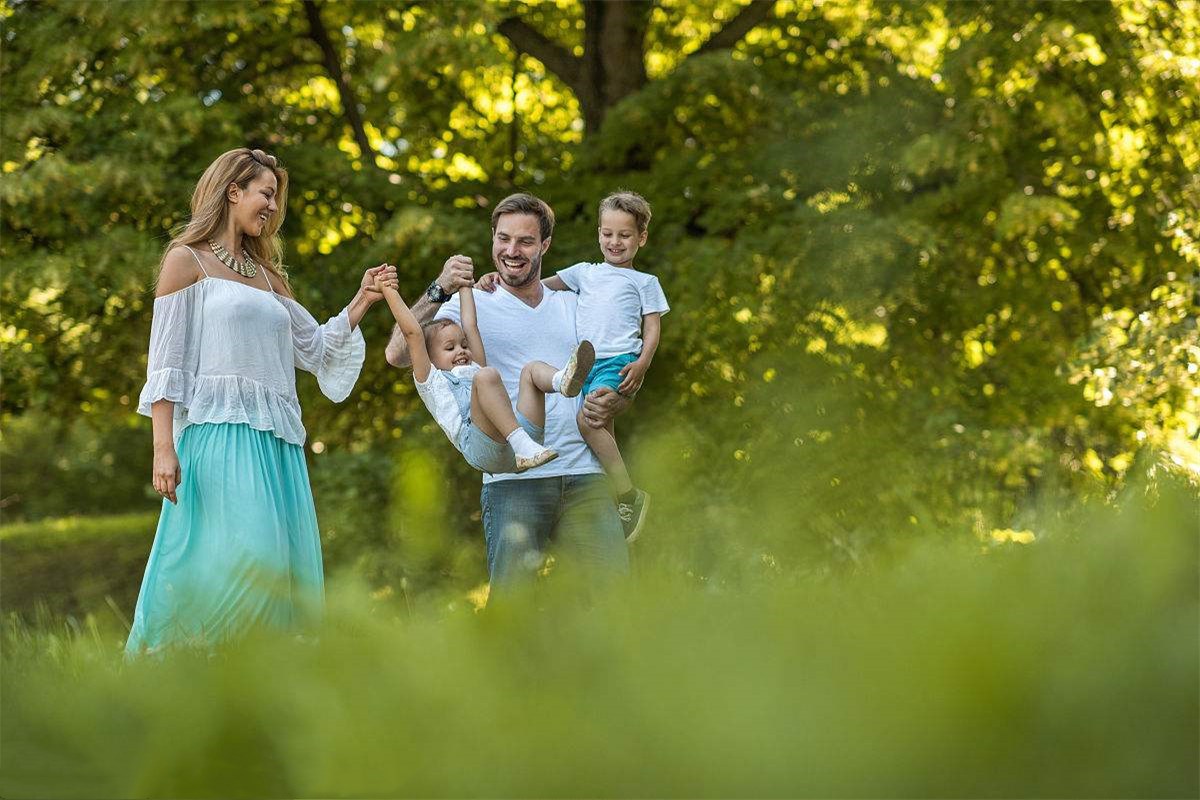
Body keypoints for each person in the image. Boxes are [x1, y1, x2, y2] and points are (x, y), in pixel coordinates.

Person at [127, 147, 397, 655]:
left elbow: (316, 349)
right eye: (265, 194)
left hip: (277, 445)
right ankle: (191, 674)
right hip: (217, 433)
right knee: (238, 561)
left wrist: (362, 299)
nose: (272, 207)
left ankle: (266, 685)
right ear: (234, 192)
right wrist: (163, 448)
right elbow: (165, 363)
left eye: (276, 198)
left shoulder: (270, 278)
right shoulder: (188, 262)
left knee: (279, 566)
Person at [385, 193, 629, 592]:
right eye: (503, 239)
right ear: (493, 238)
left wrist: (618, 396)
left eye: (525, 241)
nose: (511, 251)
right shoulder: (474, 301)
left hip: (586, 475)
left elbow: (615, 363)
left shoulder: (573, 303)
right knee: (513, 611)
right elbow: (398, 353)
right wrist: (440, 287)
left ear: (545, 245)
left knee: (615, 606)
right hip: (511, 481)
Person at [478, 191, 668, 541]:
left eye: (624, 235)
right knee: (597, 418)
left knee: (588, 419)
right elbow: (539, 285)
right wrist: (495, 280)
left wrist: (642, 365)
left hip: (618, 364)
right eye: (608, 234)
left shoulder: (644, 282)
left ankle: (626, 493)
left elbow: (652, 327)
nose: (614, 242)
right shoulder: (583, 274)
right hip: (584, 367)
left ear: (641, 238)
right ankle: (622, 491)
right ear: (598, 233)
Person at [376, 272, 596, 474]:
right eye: (450, 348)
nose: (461, 350)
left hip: (523, 445)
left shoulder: (475, 366)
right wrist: (388, 290)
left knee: (531, 369)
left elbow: (470, 324)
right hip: (482, 449)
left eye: (463, 345)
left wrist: (464, 284)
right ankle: (521, 444)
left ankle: (562, 381)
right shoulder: (430, 379)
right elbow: (413, 333)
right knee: (486, 375)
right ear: (430, 357)